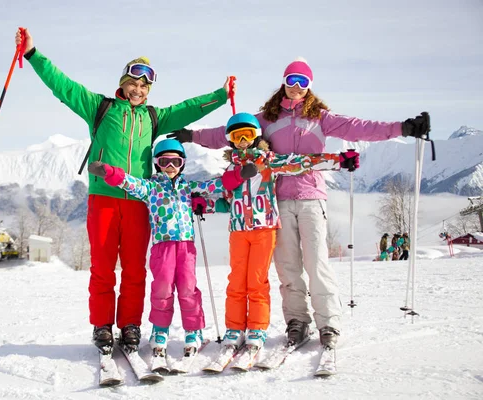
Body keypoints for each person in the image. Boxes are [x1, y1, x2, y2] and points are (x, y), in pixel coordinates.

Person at [168, 57, 430, 349]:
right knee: (287, 266)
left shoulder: (320, 116)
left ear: (310, 86)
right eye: (291, 80)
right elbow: (230, 134)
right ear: (283, 82)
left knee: (316, 262)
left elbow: (360, 128)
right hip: (276, 200)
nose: (295, 87)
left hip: (310, 198)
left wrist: (402, 128)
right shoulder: (267, 118)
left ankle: (328, 322)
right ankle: (297, 321)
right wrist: (192, 136)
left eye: (302, 82)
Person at [15, 28, 234, 352]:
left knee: (134, 268)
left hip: (139, 202)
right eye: (133, 83)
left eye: (144, 86)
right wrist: (33, 54)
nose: (138, 89)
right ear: (123, 83)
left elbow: (189, 108)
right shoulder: (99, 108)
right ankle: (102, 326)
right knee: (103, 267)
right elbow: (63, 86)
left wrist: (221, 94)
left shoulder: (154, 117)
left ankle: (130, 324)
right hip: (103, 198)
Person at [211, 113, 354, 352]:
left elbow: (300, 162)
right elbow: (226, 196)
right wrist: (208, 203)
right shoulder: (231, 166)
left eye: (248, 134)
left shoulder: (267, 160)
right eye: (238, 136)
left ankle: (257, 327)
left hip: (263, 228)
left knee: (257, 281)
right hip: (238, 230)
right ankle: (234, 327)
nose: (243, 140)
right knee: (236, 281)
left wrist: (337, 160)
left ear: (257, 136)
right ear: (231, 140)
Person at [88, 139, 226, 355]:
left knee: (188, 289)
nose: (170, 167)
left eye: (176, 162)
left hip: (186, 248)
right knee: (162, 289)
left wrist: (233, 183)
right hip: (162, 248)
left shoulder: (188, 188)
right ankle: (160, 329)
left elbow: (213, 187)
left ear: (183, 164)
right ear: (157, 164)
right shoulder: (151, 188)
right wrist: (107, 171)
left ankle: (194, 329)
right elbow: (129, 182)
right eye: (165, 161)